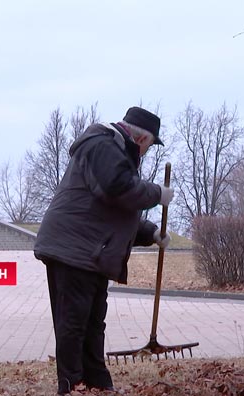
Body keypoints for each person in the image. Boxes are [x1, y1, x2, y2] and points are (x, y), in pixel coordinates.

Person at [34, 106, 174, 395]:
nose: (146, 151)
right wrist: (156, 194)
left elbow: (112, 212)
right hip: (72, 249)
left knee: (93, 320)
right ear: (142, 140)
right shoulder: (102, 144)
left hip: (88, 251)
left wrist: (151, 233)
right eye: (149, 145)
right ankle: (71, 385)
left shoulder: (114, 152)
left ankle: (97, 382)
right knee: (74, 322)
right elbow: (118, 189)